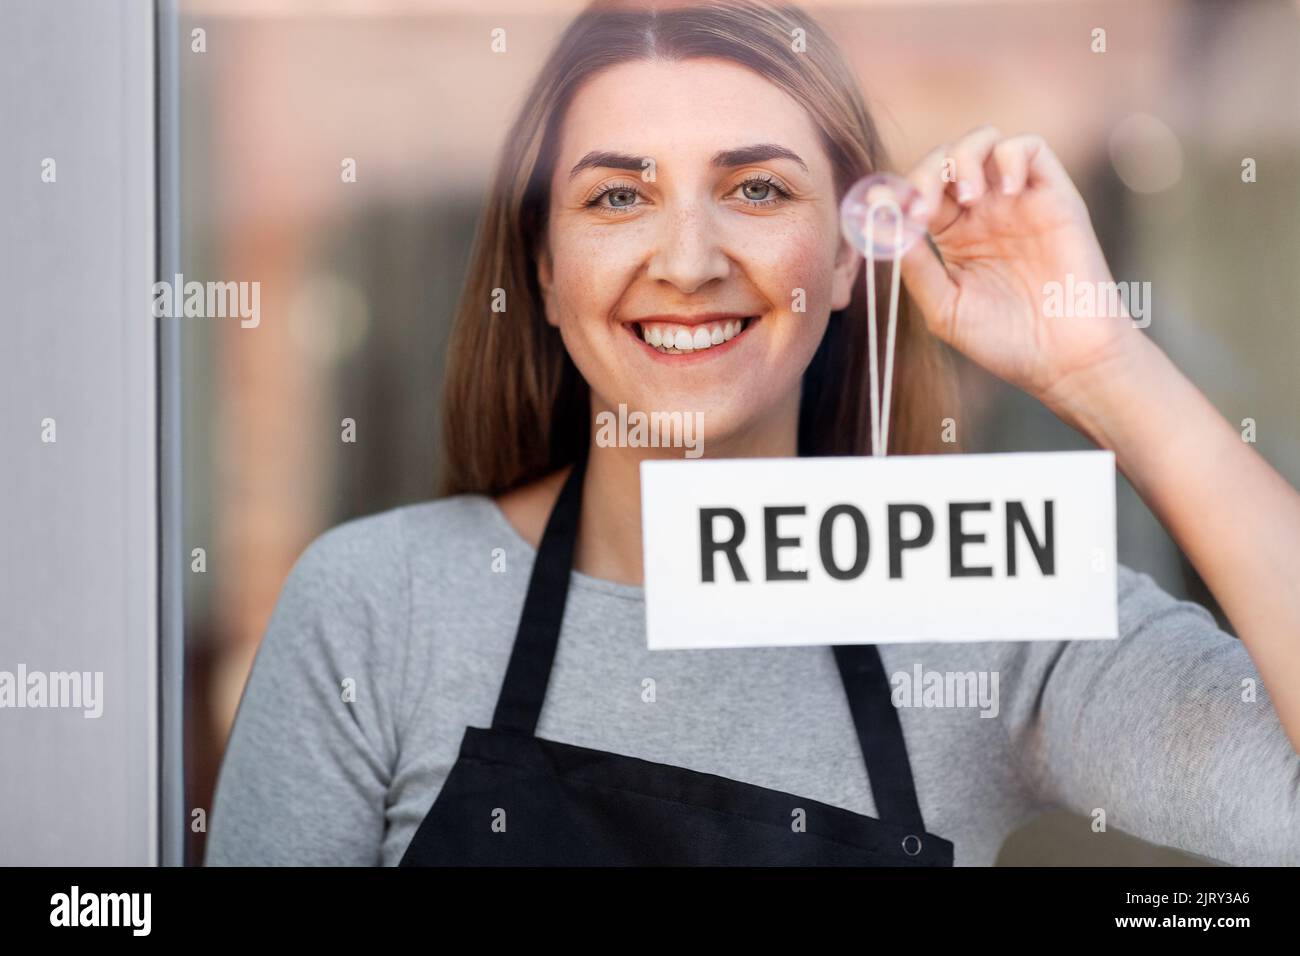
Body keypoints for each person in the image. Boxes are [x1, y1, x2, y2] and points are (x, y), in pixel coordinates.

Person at [205, 0, 1300, 866]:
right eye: (618, 199)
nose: (687, 261)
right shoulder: (374, 606)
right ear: (541, 269)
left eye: (758, 188)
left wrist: (1105, 368)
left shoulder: (975, 591)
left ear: (840, 260)